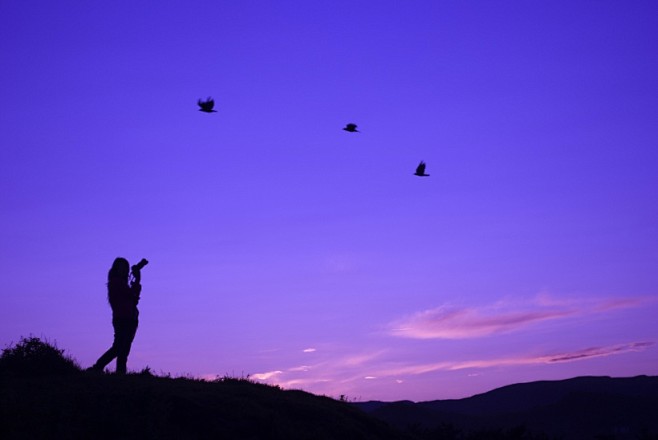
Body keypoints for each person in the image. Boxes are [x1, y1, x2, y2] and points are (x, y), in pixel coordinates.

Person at [89, 257, 143, 374]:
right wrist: (137, 281)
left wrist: (136, 282)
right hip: (123, 319)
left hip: (129, 318)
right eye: (121, 268)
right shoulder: (116, 282)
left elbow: (134, 299)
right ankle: (98, 366)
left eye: (125, 268)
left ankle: (119, 373)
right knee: (119, 347)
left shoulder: (121, 283)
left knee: (123, 349)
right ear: (116, 269)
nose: (124, 271)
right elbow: (132, 296)